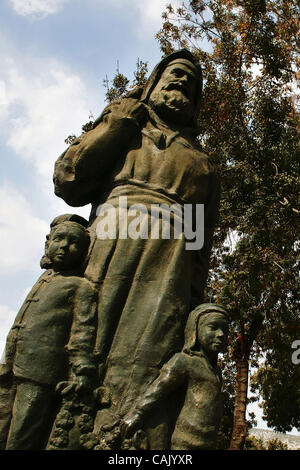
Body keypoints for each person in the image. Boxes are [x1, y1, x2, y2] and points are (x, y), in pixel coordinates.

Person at [53, 49, 220, 447]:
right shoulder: (125, 127)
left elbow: (198, 241)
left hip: (167, 272)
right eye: (175, 75)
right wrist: (119, 123)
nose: (182, 83)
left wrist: (193, 298)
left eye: (191, 83)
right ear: (153, 84)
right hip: (107, 250)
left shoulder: (202, 164)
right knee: (84, 343)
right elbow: (69, 180)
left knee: (148, 359)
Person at [0, 217, 97, 450]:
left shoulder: (80, 287)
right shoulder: (44, 279)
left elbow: (82, 332)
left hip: (40, 373)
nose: (64, 246)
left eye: (73, 243)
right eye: (59, 239)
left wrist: (81, 369)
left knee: (22, 434)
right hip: (11, 366)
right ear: (47, 244)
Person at [122, 304, 229, 450]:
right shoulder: (184, 361)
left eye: (225, 330)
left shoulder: (216, 371)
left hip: (209, 443)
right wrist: (137, 413)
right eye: (213, 327)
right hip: (186, 443)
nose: (221, 334)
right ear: (196, 329)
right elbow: (159, 388)